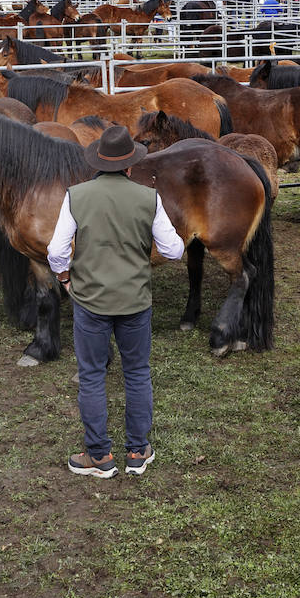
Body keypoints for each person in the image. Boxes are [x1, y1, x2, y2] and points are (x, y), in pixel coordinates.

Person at [47, 125, 185, 479]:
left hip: (90, 302)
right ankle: (138, 451)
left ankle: (99, 456)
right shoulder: (148, 197)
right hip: (135, 301)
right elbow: (173, 249)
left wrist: (65, 280)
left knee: (92, 376)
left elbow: (56, 252)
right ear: (129, 165)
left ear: (99, 161)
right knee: (137, 372)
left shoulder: (76, 195)